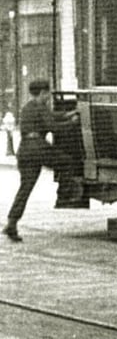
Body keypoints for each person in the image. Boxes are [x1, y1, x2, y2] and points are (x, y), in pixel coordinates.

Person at [3, 79, 79, 242]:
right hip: (39, 148)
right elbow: (53, 126)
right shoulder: (40, 107)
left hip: (24, 151)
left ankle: (12, 222)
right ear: (43, 93)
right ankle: (65, 194)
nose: (49, 97)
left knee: (25, 189)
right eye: (48, 93)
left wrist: (67, 113)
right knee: (67, 162)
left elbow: (50, 116)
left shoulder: (27, 107)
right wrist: (72, 123)